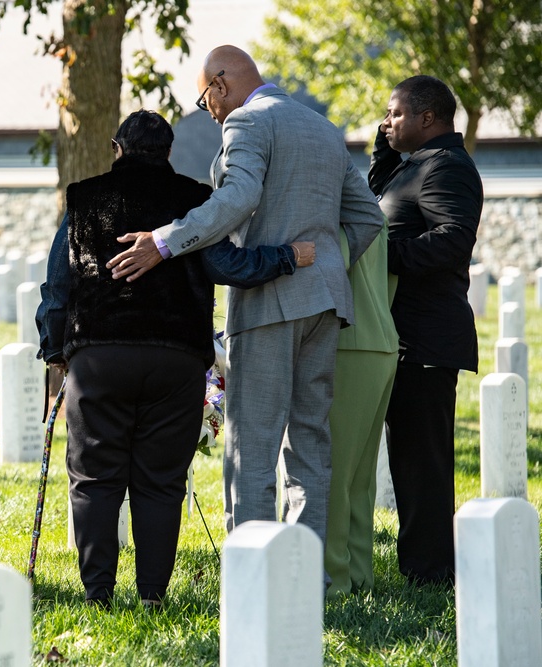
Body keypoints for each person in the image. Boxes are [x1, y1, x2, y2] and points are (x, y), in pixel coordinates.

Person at [105, 46, 384, 549]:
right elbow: (368, 217)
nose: (207, 112)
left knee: (251, 444)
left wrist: (164, 242)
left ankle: (253, 571)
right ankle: (304, 570)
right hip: (324, 303)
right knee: (309, 442)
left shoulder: (248, 123)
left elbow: (237, 200)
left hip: (268, 304)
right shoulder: (322, 127)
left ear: (220, 84)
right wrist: (324, 265)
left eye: (203, 100)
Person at [36, 109, 315, 608]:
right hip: (176, 360)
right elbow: (228, 265)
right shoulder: (194, 201)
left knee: (95, 478)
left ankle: (99, 593)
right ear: (167, 153)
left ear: (117, 149)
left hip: (100, 356)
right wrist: (288, 256)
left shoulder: (84, 198)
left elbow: (58, 284)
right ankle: (152, 596)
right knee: (161, 481)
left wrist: (55, 350)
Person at [368, 75, 482, 586]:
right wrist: (383, 152)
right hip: (399, 334)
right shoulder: (413, 165)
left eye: (394, 113)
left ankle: (432, 572)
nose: (387, 121)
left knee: (423, 462)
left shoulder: (447, 168)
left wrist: (377, 260)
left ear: (427, 118)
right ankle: (423, 564)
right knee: (408, 457)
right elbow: (381, 210)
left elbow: (452, 240)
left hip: (427, 336)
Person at [324, 222, 398, 597]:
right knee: (360, 478)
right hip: (383, 339)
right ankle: (359, 573)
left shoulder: (335, 220)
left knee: (335, 473)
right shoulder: (373, 216)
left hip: (348, 346)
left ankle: (335, 580)